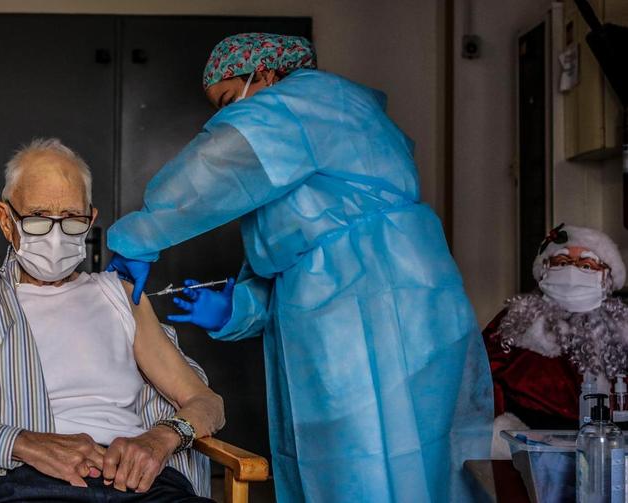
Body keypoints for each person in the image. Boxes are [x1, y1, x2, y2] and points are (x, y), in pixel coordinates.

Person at [105, 33, 492, 502]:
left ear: (265, 74)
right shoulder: (305, 172)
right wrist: (234, 309)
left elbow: (213, 167)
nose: (227, 120)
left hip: (386, 314)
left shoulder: (312, 100)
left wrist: (139, 234)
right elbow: (297, 276)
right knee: (348, 471)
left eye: (229, 101)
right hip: (362, 318)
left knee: (383, 470)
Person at [0, 139, 224, 502]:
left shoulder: (121, 297)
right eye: (38, 219)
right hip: (19, 483)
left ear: (91, 220)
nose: (56, 237)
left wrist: (160, 438)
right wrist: (23, 443)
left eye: (71, 220)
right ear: (6, 220)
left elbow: (207, 402)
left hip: (138, 484)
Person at [484, 224, 628, 454]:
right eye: (561, 262)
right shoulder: (515, 320)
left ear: (607, 277)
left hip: (610, 447)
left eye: (586, 265)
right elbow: (479, 379)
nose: (572, 272)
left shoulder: (623, 329)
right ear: (544, 269)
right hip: (528, 443)